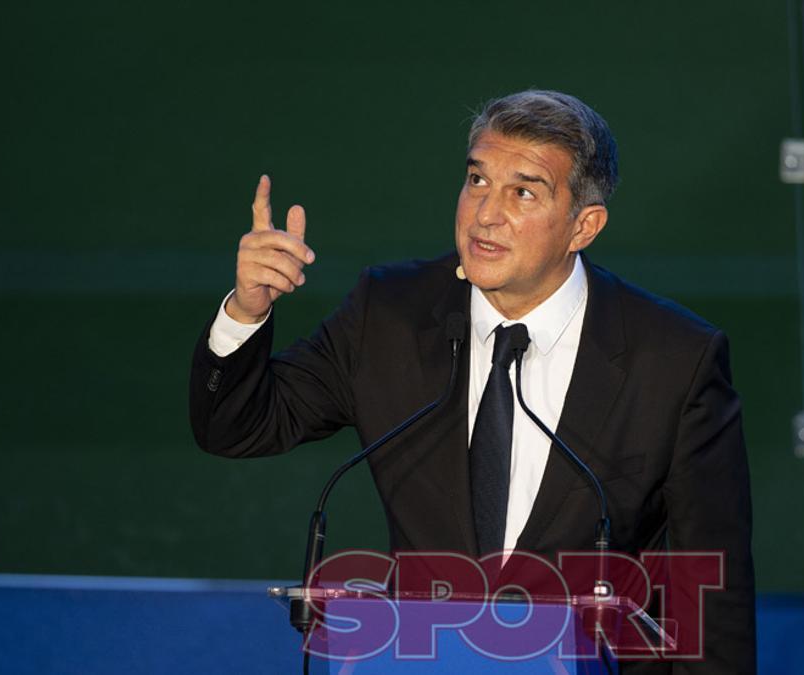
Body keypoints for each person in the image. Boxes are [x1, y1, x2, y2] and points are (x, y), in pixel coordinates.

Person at [189, 90, 754, 672]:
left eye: (524, 192)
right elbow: (237, 427)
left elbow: (710, 597)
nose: (486, 214)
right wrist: (247, 312)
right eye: (477, 181)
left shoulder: (674, 360)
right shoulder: (387, 315)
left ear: (583, 226)